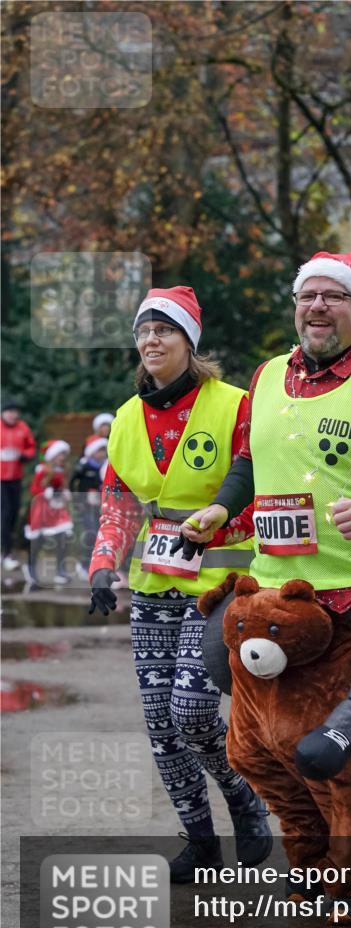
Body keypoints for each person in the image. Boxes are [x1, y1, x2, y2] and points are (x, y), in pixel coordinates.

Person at [180, 252, 351, 781]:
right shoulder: (266, 375)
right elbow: (249, 461)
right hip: (276, 579)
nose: (317, 306)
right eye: (307, 296)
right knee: (217, 653)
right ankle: (286, 755)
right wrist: (221, 507)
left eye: (333, 296)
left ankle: (339, 736)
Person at [87, 285, 271, 882]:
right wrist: (102, 565)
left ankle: (243, 797)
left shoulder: (236, 405)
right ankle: (199, 840)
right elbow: (119, 503)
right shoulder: (125, 419)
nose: (151, 340)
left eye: (164, 329)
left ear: (189, 341)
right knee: (161, 726)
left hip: (222, 584)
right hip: (154, 585)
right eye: (143, 331)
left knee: (191, 709)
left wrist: (218, 525)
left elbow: (261, 489)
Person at [24, 439, 73, 585]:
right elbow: (34, 490)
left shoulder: (62, 472)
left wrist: (65, 493)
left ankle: (60, 570)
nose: (62, 457)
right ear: (52, 456)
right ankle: (31, 567)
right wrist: (47, 492)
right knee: (38, 541)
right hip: (42, 510)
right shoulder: (42, 471)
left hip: (57, 509)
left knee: (62, 538)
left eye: (63, 455)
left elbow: (63, 488)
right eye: (59, 454)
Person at [1, 400, 36, 571]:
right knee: (6, 513)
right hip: (1, 478)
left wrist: (23, 455)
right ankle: (6, 553)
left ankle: (7, 550)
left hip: (16, 477)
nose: (13, 415)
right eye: (10, 411)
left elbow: (31, 448)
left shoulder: (23, 427)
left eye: (15, 412)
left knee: (14, 513)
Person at [70, 436, 108, 575]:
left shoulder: (105, 467)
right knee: (90, 532)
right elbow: (73, 484)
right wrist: (77, 500)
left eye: (104, 450)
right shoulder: (83, 467)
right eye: (99, 450)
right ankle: (84, 563)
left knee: (99, 533)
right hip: (85, 506)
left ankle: (96, 563)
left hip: (100, 506)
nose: (102, 453)